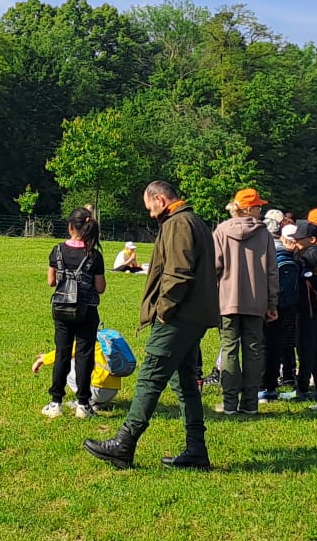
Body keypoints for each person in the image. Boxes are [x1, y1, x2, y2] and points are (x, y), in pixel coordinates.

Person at [84, 181, 217, 471]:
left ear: (160, 199)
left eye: (150, 207)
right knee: (185, 384)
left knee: (150, 378)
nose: (150, 214)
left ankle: (124, 443)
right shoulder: (195, 221)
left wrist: (163, 311)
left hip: (177, 317)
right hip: (193, 316)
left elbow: (179, 273)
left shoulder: (178, 223)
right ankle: (196, 450)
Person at [213, 188, 277, 418]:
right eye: (259, 206)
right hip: (256, 301)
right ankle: (250, 403)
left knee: (229, 349)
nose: (261, 210)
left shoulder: (221, 231)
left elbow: (214, 267)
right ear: (249, 209)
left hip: (227, 300)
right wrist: (272, 303)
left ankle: (229, 403)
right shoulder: (264, 234)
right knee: (253, 351)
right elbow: (272, 271)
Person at [44, 207, 107, 418]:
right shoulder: (94, 255)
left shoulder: (57, 251)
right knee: (84, 355)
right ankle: (83, 404)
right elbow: (100, 288)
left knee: (62, 353)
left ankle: (55, 402)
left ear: (70, 226)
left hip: (62, 309)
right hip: (86, 311)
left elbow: (51, 281)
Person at [289, 220, 317, 405]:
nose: (296, 241)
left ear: (312, 239)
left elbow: (313, 279)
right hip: (313, 308)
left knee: (307, 348)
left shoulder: (312, 254)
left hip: (310, 308)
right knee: (314, 348)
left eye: (300, 239)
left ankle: (304, 388)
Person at [267, 223, 303, 402]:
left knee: (272, 344)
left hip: (275, 305)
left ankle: (270, 381)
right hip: (293, 306)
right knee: (289, 342)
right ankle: (289, 373)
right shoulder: (298, 259)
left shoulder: (273, 255)